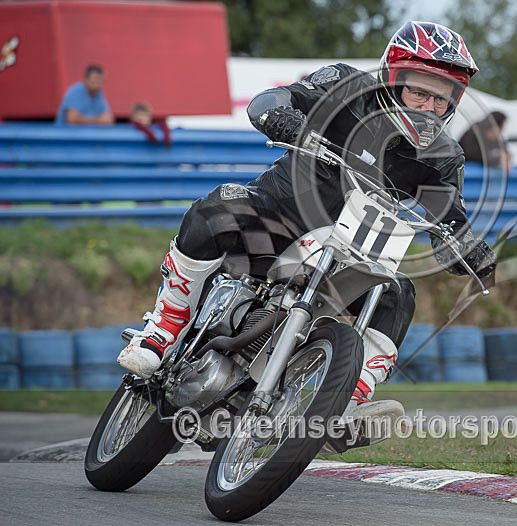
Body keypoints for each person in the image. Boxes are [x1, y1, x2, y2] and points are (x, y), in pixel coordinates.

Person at [116, 22, 496, 427]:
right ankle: (165, 327)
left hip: (344, 255)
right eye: (419, 92)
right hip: (273, 222)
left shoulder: (443, 157)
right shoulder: (347, 86)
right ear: (392, 79)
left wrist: (466, 247)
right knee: (217, 207)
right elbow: (274, 99)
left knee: (397, 293)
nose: (429, 107)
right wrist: (280, 116)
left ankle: (348, 401)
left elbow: (451, 218)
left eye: (441, 98)